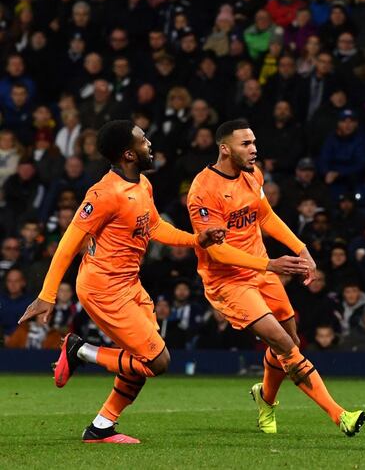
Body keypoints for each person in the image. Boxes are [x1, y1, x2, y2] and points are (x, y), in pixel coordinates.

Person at [16, 120, 226, 444]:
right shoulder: (103, 194)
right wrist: (47, 294)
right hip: (102, 288)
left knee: (140, 359)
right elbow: (69, 244)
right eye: (143, 140)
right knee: (157, 361)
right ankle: (80, 350)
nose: (149, 144)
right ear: (128, 153)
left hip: (129, 283)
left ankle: (101, 427)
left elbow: (156, 227)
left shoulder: (143, 184)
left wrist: (198, 239)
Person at [186, 119, 365, 437]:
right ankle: (340, 415)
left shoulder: (253, 174)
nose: (254, 149)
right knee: (283, 343)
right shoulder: (203, 190)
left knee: (291, 342)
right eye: (246, 144)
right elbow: (218, 252)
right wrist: (270, 264)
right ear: (225, 149)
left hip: (260, 269)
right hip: (228, 281)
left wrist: (301, 248)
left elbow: (265, 215)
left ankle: (265, 399)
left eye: (254, 142)